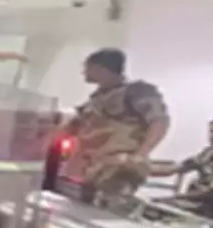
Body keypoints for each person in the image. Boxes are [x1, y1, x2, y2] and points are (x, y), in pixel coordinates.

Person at [61, 48, 170, 212]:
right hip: (91, 167)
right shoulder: (98, 98)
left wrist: (140, 155)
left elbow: (159, 121)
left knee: (106, 213)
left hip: (117, 169)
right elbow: (76, 121)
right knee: (79, 211)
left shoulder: (137, 92)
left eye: (88, 67)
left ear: (101, 68)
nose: (83, 72)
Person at [148, 115, 213, 220]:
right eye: (212, 131)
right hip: (195, 203)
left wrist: (176, 197)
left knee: (154, 210)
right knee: (149, 206)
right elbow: (177, 168)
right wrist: (141, 169)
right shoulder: (208, 153)